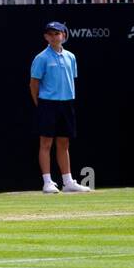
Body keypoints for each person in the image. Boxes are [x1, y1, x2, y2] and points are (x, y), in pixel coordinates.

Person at [30, 21, 91, 194]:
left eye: (57, 33)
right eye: (50, 34)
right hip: (48, 103)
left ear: (64, 35)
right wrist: (40, 104)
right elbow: (34, 84)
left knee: (64, 143)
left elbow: (72, 79)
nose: (54, 36)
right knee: (46, 142)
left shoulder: (71, 57)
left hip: (67, 103)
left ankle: (68, 181)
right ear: (46, 37)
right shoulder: (41, 58)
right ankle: (47, 182)